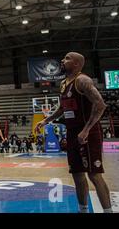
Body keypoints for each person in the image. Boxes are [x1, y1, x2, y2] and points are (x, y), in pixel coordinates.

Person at [36, 52, 112, 213]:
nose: (62, 61)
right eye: (63, 58)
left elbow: (100, 104)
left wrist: (86, 130)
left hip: (88, 133)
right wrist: (46, 120)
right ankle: (82, 209)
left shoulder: (82, 80)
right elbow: (62, 108)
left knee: (94, 175)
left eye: (67, 58)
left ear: (77, 64)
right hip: (72, 133)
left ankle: (108, 211)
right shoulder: (64, 83)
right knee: (77, 174)